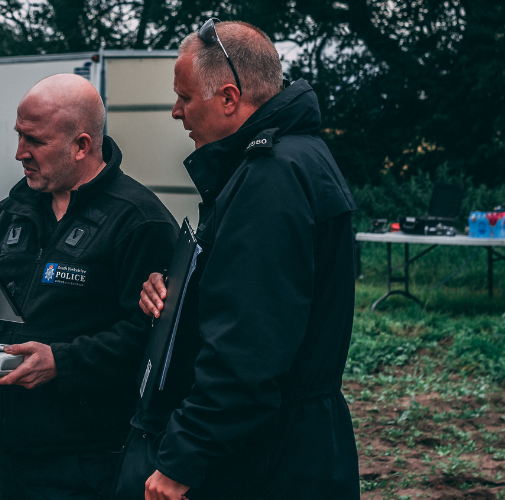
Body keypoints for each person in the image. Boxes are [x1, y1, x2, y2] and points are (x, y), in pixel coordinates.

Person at [131, 20, 360, 500]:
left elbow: (247, 348)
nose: (176, 111)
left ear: (229, 98)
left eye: (185, 97)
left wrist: (182, 459)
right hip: (293, 447)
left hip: (268, 459)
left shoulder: (270, 178)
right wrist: (180, 290)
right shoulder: (295, 159)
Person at [0, 73, 179, 499]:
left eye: (35, 141)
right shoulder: (8, 214)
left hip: (90, 462)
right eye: (19, 135)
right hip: (13, 453)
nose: (19, 152)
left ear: (81, 145)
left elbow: (153, 340)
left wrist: (63, 361)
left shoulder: (138, 222)